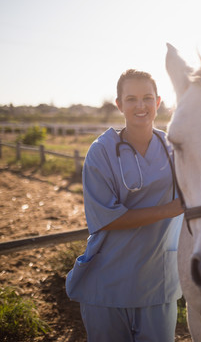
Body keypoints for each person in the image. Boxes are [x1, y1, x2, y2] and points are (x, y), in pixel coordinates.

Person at [66, 69, 184, 342]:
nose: (140, 106)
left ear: (158, 102)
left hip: (157, 283)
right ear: (119, 104)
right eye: (131, 99)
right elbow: (108, 218)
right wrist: (173, 208)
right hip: (108, 283)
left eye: (147, 98)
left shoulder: (175, 147)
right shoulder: (102, 151)